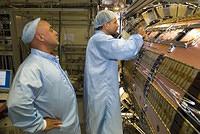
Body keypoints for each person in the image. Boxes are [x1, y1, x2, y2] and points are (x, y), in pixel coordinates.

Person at [7, 18, 81, 134]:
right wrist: (40, 124)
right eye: (51, 30)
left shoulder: (47, 61)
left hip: (66, 128)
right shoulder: (31, 67)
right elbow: (16, 104)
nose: (56, 32)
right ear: (40, 37)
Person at [84, 10, 143, 134]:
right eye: (115, 22)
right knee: (105, 127)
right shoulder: (101, 40)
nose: (117, 25)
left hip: (101, 90)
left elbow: (119, 45)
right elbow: (127, 49)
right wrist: (138, 37)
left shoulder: (99, 39)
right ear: (105, 25)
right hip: (103, 94)